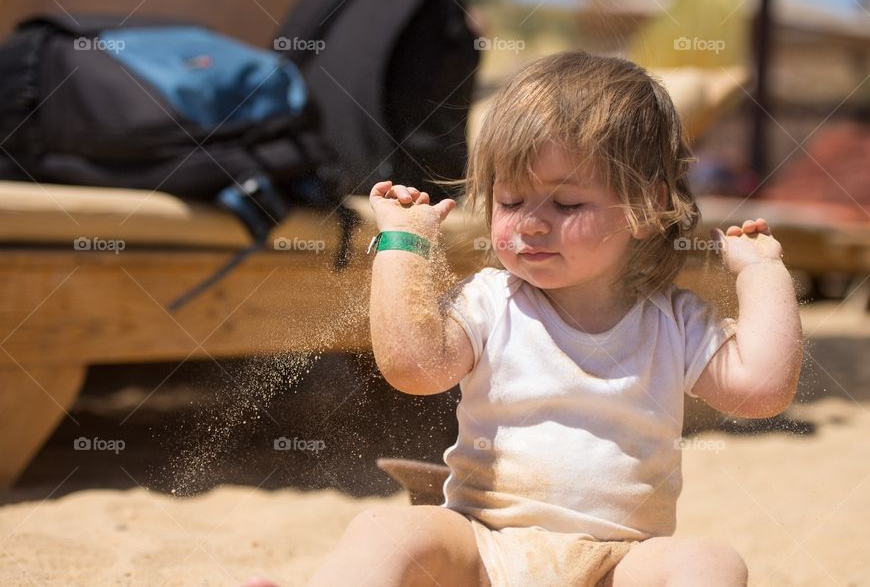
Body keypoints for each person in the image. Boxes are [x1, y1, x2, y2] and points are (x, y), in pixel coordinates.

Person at [245, 51, 803, 587]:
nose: (531, 225)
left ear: (645, 206)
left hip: (617, 563)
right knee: (385, 529)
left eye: (566, 205)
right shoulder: (493, 300)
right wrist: (402, 247)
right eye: (511, 201)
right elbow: (414, 368)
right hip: (482, 548)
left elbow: (760, 390)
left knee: (709, 562)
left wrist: (761, 274)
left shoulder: (675, 321)